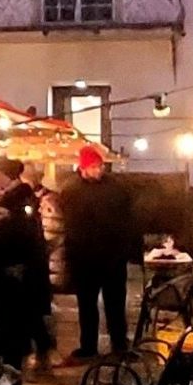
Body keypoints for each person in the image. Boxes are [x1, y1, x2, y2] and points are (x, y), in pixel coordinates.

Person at [60, 144, 132, 362]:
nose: (99, 170)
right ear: (83, 167)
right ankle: (88, 346)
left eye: (100, 166)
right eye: (94, 166)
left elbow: (126, 220)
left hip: (112, 258)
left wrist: (124, 249)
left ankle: (119, 345)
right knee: (87, 305)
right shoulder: (71, 191)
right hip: (85, 259)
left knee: (115, 304)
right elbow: (71, 226)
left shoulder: (116, 188)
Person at [0, 156, 51, 372]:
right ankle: (40, 348)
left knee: (14, 319)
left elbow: (20, 235)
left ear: (4, 175)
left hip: (15, 269)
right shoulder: (16, 199)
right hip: (19, 269)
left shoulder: (18, 201)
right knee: (27, 316)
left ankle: (13, 367)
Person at [23, 161, 63, 362]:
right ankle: (43, 344)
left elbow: (52, 232)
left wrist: (37, 248)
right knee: (38, 306)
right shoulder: (33, 200)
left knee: (40, 305)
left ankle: (45, 344)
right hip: (41, 261)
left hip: (47, 263)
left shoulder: (47, 201)